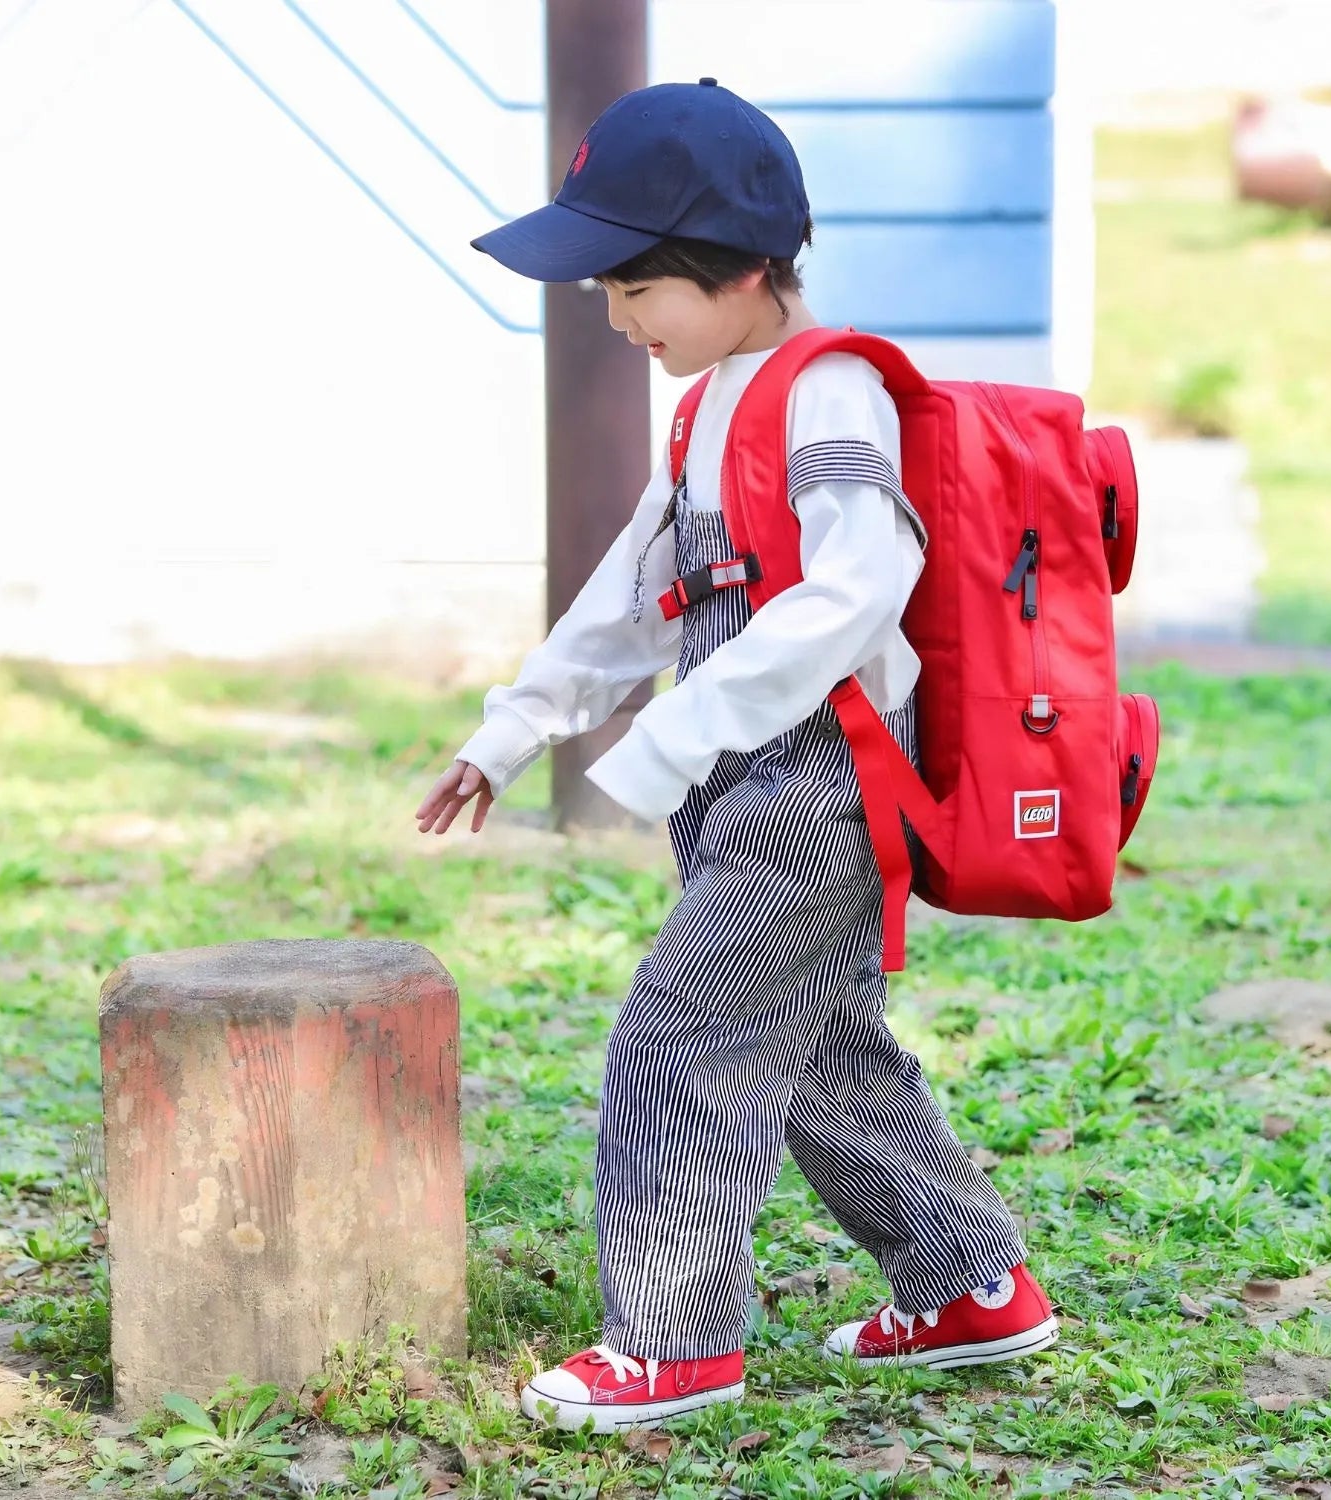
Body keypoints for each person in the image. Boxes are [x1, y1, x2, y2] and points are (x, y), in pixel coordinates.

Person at [415, 78, 1056, 1435]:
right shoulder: (710, 407)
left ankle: (673, 1343)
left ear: (747, 266)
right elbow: (630, 588)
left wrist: (675, 730)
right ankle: (969, 1284)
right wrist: (516, 727)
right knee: (819, 1047)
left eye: (638, 284)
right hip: (744, 787)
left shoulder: (824, 392)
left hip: (820, 781)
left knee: (684, 1033)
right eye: (606, 289)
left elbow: (856, 591)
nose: (617, 315)